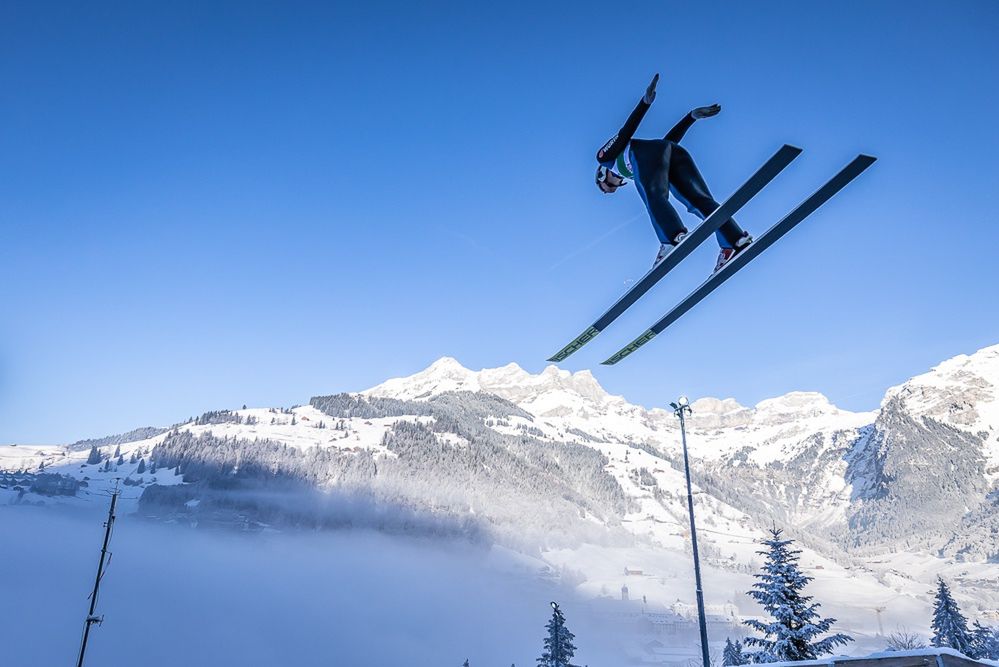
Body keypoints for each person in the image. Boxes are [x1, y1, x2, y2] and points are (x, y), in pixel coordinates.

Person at [596, 73, 752, 272]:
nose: (615, 185)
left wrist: (645, 103)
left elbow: (625, 133)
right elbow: (663, 147)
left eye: (608, 186)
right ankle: (735, 241)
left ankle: (671, 237)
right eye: (616, 187)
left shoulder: (605, 158)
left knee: (653, 196)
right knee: (699, 200)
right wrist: (690, 118)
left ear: (602, 175)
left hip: (649, 153)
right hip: (671, 151)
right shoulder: (632, 170)